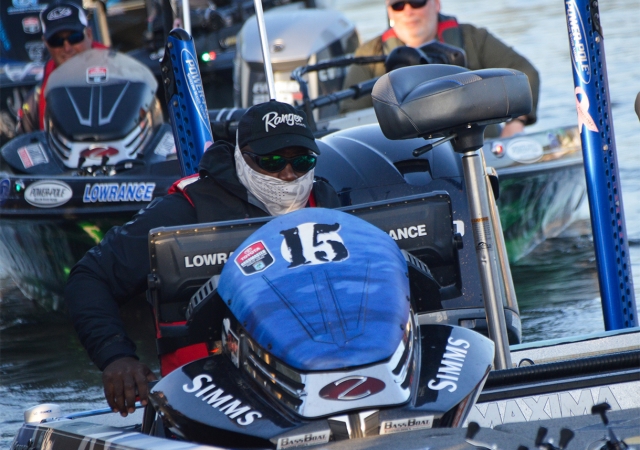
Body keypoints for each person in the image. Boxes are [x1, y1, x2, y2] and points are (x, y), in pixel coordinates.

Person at [65, 100, 341, 417]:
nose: (289, 174)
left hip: (322, 378)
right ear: (241, 157)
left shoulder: (327, 204)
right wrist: (115, 356)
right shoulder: (187, 210)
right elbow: (89, 277)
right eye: (272, 161)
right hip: (208, 394)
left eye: (303, 161)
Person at [342, 0, 540, 138]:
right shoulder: (368, 55)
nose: (408, 11)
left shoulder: (473, 38)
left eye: (417, 2)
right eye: (398, 5)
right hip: (408, 155)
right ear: (390, 12)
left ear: (436, 3)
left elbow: (525, 72)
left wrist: (516, 122)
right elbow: (350, 115)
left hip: (479, 147)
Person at [16, 1, 107, 134]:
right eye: (56, 41)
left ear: (89, 34)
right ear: (46, 43)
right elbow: (25, 143)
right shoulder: (35, 100)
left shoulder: (121, 78)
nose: (67, 48)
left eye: (75, 37)